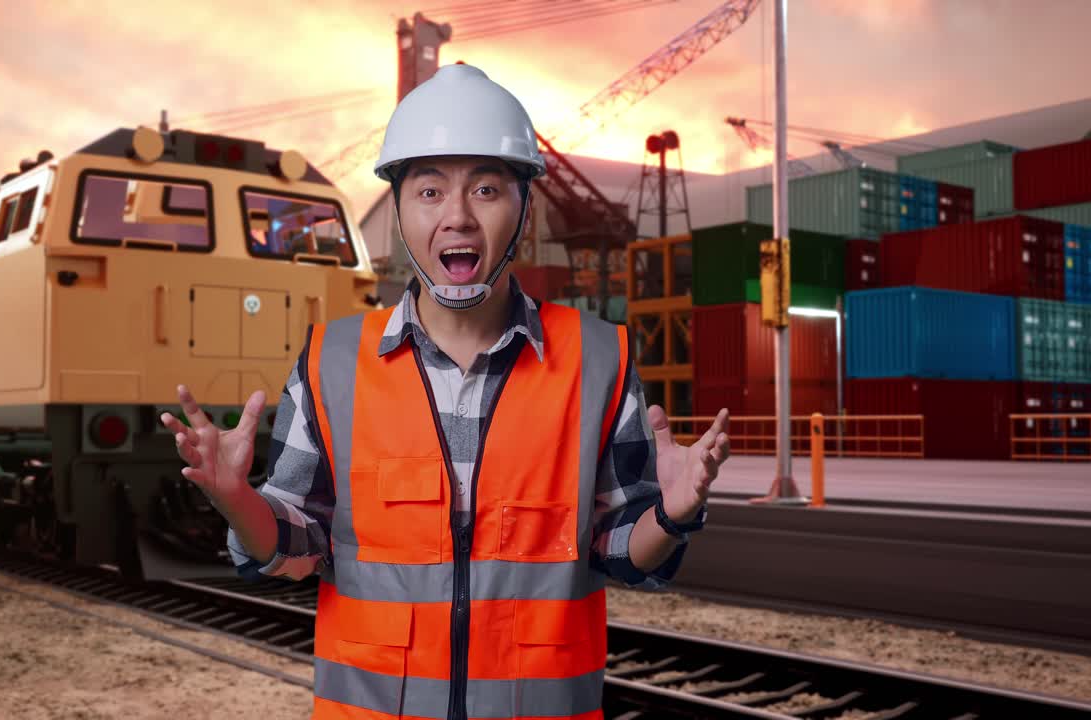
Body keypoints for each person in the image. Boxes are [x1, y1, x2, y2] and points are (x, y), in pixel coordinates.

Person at [160, 63, 731, 720]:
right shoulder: (332, 362)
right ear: (399, 211)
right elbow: (293, 554)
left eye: (486, 190)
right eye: (429, 192)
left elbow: (626, 555)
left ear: (525, 207)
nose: (457, 217)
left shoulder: (597, 358)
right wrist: (237, 501)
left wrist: (673, 515)